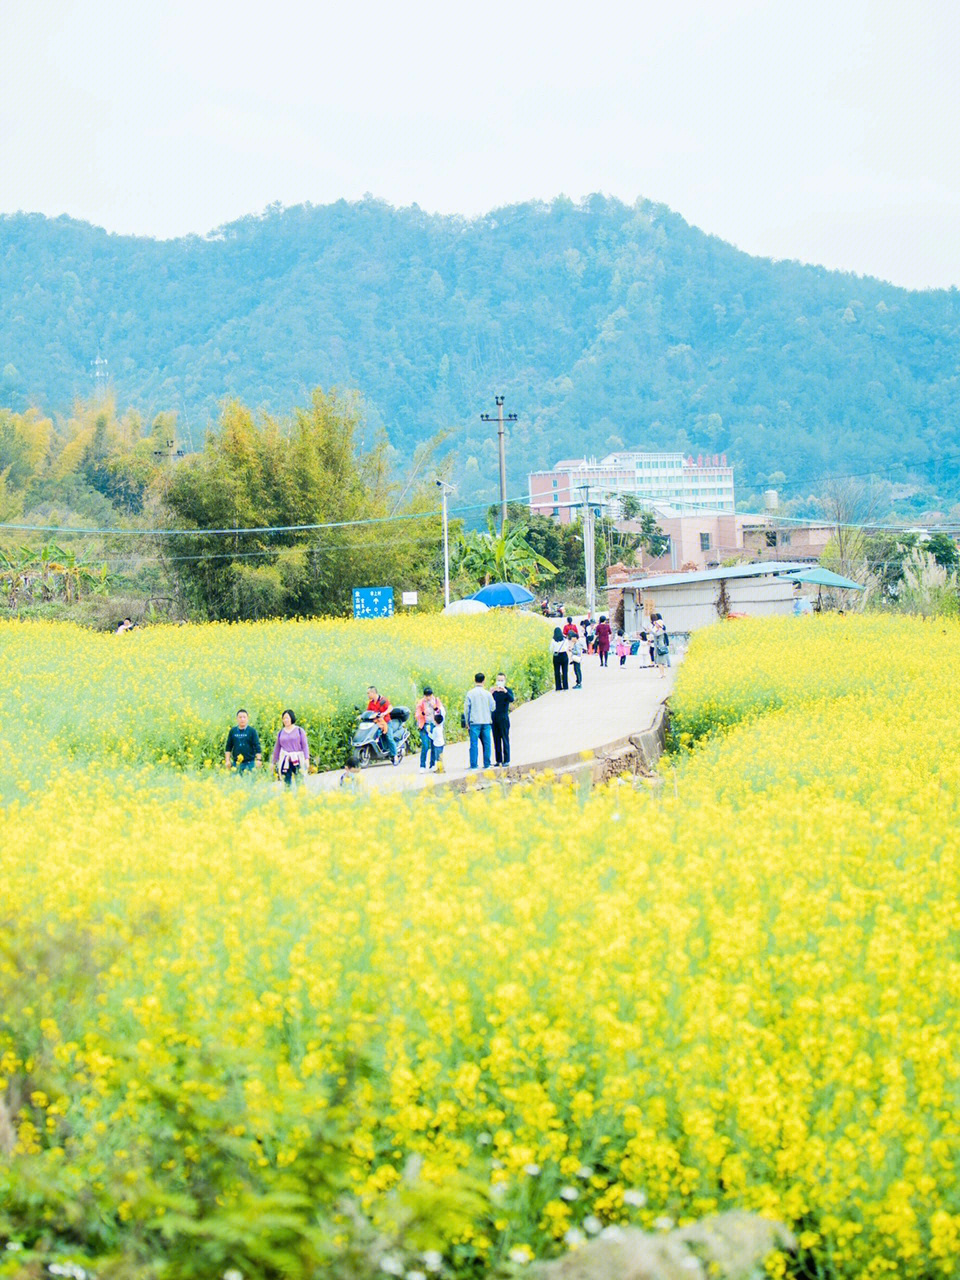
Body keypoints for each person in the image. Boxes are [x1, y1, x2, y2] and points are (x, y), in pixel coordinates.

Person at [464, 672, 495, 769]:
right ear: (484, 681)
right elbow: (493, 707)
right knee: (487, 744)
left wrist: (466, 722)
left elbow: (466, 709)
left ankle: (473, 765)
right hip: (486, 722)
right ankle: (487, 764)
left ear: (474, 680)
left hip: (474, 723)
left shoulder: (470, 693)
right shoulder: (488, 694)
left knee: (473, 744)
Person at [272, 709, 309, 785]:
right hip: (286, 760)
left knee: (300, 782)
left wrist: (307, 759)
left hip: (297, 760)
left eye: (287, 718)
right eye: (283, 718)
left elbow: (305, 746)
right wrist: (273, 762)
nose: (285, 720)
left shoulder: (299, 730)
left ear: (291, 718)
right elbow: (277, 748)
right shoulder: (281, 732)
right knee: (287, 783)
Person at [415, 686, 445, 771]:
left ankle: (432, 765)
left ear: (432, 695)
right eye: (426, 696)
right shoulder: (421, 703)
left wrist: (434, 706)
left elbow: (440, 712)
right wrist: (423, 713)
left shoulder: (436, 700)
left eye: (429, 695)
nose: (428, 697)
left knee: (433, 745)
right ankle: (422, 766)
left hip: (434, 725)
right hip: (424, 725)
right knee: (425, 746)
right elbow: (417, 715)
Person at [224, 708, 262, 774]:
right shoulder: (233, 731)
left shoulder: (252, 731)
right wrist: (227, 760)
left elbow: (257, 746)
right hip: (236, 763)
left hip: (250, 763)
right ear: (237, 719)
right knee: (235, 783)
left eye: (244, 717)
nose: (242, 719)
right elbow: (228, 747)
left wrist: (258, 760)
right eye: (240, 717)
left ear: (247, 718)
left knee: (250, 783)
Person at [366, 685, 398, 762]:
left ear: (373, 693)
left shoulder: (383, 700)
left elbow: (390, 708)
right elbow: (368, 712)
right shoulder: (371, 703)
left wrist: (384, 713)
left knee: (389, 737)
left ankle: (395, 755)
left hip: (386, 722)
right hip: (377, 723)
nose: (367, 695)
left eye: (368, 693)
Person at [491, 671, 515, 766]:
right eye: (498, 680)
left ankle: (507, 760)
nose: (500, 682)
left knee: (505, 738)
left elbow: (511, 699)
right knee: (496, 739)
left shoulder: (508, 690)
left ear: (505, 681)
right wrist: (491, 692)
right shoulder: (494, 691)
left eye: (502, 680)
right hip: (494, 716)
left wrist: (505, 691)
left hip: (503, 716)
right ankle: (498, 760)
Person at [550, 626, 569, 691]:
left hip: (556, 656)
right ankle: (565, 686)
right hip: (564, 655)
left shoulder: (553, 640)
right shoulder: (565, 639)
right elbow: (567, 648)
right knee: (565, 671)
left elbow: (550, 649)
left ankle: (558, 687)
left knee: (557, 671)